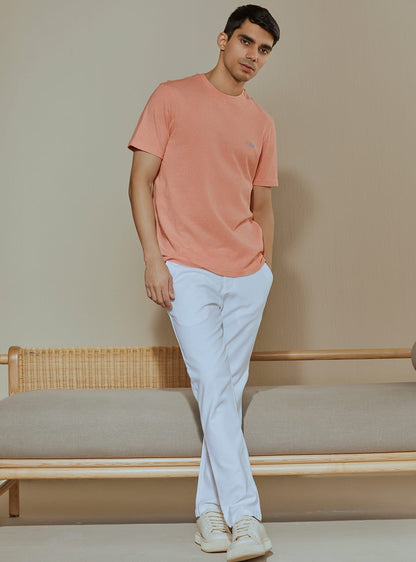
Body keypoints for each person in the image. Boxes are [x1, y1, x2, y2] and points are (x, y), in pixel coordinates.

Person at [127, 4, 279, 561]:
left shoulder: (261, 122)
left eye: (264, 50)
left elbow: (263, 205)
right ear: (223, 39)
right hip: (186, 267)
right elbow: (140, 181)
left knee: (223, 393)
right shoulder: (171, 97)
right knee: (216, 385)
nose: (253, 56)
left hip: (246, 274)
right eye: (246, 42)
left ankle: (210, 516)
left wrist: (266, 271)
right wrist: (153, 259)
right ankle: (247, 519)